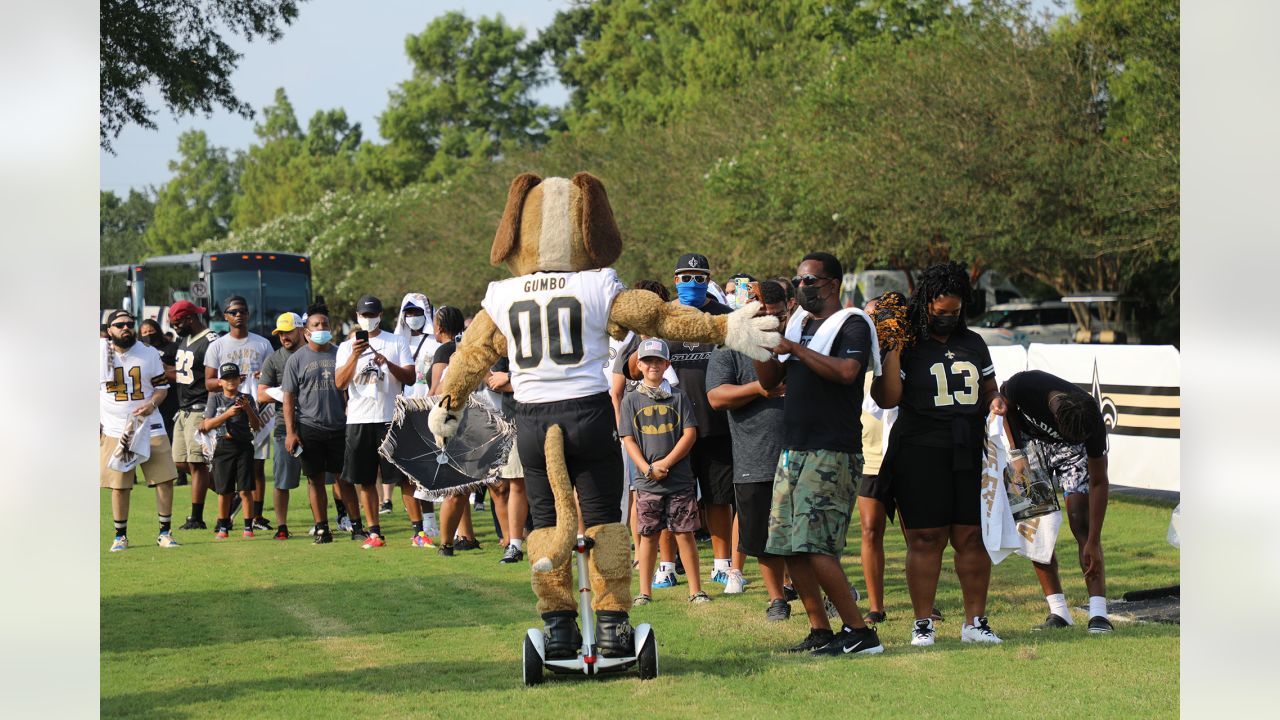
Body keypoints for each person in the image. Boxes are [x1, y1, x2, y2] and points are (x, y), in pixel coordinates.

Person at [753, 252, 883, 656]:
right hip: (794, 449)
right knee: (787, 546)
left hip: (832, 449)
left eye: (809, 281)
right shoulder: (797, 322)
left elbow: (847, 373)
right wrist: (762, 345)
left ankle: (861, 632)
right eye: (798, 281)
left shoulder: (852, 323)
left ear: (832, 284)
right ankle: (820, 631)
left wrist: (795, 347)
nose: (801, 287)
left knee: (816, 546)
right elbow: (771, 382)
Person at [871, 261, 1004, 647]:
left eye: (955, 312)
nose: (948, 319)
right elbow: (887, 398)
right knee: (926, 538)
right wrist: (892, 349)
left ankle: (975, 621)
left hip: (967, 448)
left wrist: (996, 401)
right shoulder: (909, 342)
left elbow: (989, 388)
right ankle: (923, 622)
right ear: (925, 303)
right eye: (940, 312)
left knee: (972, 536)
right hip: (919, 448)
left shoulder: (973, 342)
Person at [996, 369, 1114, 633]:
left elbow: (1099, 481)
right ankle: (1058, 612)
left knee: (1081, 522)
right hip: (1028, 445)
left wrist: (1094, 539)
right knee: (1037, 525)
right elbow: (1004, 406)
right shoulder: (1025, 385)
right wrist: (1016, 453)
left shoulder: (1089, 417)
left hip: (1071, 455)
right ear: (1057, 417)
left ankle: (1098, 614)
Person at [707, 279, 791, 616]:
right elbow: (715, 397)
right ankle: (776, 599)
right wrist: (758, 387)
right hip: (754, 456)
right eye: (763, 315)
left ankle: (811, 590)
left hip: (801, 453)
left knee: (805, 532)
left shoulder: (798, 341)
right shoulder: (730, 347)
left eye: (777, 315)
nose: (771, 321)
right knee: (762, 538)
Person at [621, 339, 710, 605]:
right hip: (646, 481)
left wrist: (667, 463)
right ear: (639, 365)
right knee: (647, 536)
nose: (653, 366)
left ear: (667, 364)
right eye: (647, 361)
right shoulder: (631, 399)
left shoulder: (678, 396)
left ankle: (696, 591)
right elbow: (628, 438)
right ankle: (644, 592)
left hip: (679, 479)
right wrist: (648, 467)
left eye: (658, 361)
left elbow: (690, 434)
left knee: (685, 533)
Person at [335, 295, 416, 549]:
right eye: (363, 316)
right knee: (365, 479)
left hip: (390, 417)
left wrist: (387, 363)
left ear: (380, 315)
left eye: (372, 315)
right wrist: (354, 357)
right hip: (359, 419)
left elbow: (410, 378)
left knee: (404, 477)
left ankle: (418, 531)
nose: (367, 320)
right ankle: (374, 532)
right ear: (357, 317)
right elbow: (340, 383)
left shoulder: (396, 341)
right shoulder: (347, 347)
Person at [100, 310, 181, 551]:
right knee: (120, 484)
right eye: (120, 325)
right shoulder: (99, 352)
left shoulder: (148, 353)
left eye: (129, 324)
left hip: (149, 423)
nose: (126, 328)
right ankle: (120, 536)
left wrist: (151, 404)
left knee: (164, 479)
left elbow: (162, 388)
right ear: (110, 330)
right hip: (115, 426)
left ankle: (165, 532)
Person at [204, 295, 274, 531]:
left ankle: (257, 516)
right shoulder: (217, 346)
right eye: (233, 311)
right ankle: (227, 515)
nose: (238, 315)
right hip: (227, 410)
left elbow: (271, 376)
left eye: (242, 311)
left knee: (257, 465)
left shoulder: (262, 343)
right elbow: (208, 381)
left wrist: (260, 379)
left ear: (248, 314)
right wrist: (230, 382)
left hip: (256, 407)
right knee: (226, 467)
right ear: (225, 316)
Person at [282, 311, 347, 545]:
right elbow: (288, 398)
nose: (321, 328)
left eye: (325, 324)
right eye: (316, 324)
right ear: (306, 331)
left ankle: (355, 523)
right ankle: (322, 528)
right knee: (315, 480)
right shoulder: (296, 359)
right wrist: (291, 432)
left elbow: (350, 390)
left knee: (345, 479)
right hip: (309, 426)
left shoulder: (341, 354)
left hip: (340, 426)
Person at [426, 305, 478, 554]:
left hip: (464, 425)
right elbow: (440, 391)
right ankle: (452, 541)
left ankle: (462, 537)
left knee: (461, 489)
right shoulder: (453, 354)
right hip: (455, 425)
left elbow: (434, 393)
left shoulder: (449, 352)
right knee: (458, 489)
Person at [394, 292, 442, 545]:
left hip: (430, 410)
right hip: (402, 412)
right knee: (410, 472)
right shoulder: (396, 343)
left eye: (417, 312)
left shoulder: (435, 344)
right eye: (408, 312)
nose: (412, 317)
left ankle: (439, 520)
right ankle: (423, 522)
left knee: (436, 468)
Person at [168, 301, 219, 529]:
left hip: (201, 407)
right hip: (183, 409)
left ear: (190, 319)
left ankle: (196, 517)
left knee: (196, 463)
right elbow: (184, 374)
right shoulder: (184, 339)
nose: (174, 328)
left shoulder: (211, 341)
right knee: (179, 461)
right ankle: (228, 492)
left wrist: (211, 412)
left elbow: (216, 377)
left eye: (177, 323)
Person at [201, 362, 264, 538]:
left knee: (245, 489)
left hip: (244, 446)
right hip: (223, 446)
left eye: (234, 377)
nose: (231, 381)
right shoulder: (215, 398)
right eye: (226, 378)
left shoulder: (247, 398)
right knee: (224, 490)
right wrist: (227, 414)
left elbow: (256, 425)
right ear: (220, 381)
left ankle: (248, 526)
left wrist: (247, 409)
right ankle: (223, 526)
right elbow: (206, 425)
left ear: (239, 379)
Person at [257, 312, 305, 539]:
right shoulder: (274, 359)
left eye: (288, 331)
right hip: (283, 427)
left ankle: (328, 521)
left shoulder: (313, 353)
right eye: (280, 333)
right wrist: (286, 393)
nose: (284, 337)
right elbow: (261, 394)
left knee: (324, 478)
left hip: (316, 424)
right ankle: (282, 526)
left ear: (301, 330)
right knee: (282, 480)